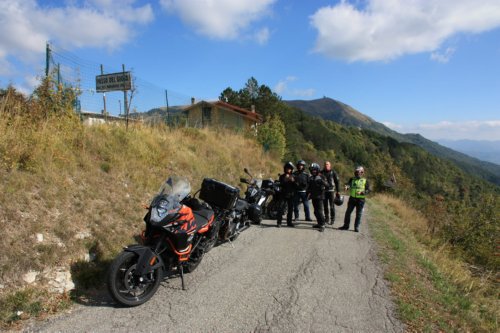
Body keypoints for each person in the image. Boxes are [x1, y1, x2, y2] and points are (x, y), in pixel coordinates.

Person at [340, 166, 370, 232]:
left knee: (358, 214)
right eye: (356, 172)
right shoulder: (352, 179)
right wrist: (346, 187)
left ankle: (356, 227)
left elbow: (368, 190)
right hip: (352, 199)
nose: (357, 173)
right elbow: (348, 185)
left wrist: (362, 192)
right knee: (348, 212)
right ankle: (346, 226)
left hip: (360, 200)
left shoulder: (365, 180)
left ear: (362, 173)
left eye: (358, 172)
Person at [307, 163, 329, 232]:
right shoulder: (311, 177)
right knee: (315, 212)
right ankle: (319, 223)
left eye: (314, 170)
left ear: (317, 170)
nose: (313, 171)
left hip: (320, 196)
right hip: (314, 196)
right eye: (312, 170)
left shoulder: (322, 176)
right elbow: (309, 187)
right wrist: (308, 194)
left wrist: (321, 181)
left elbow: (328, 185)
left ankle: (322, 225)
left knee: (319, 211)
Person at [277, 162, 296, 228]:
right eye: (287, 168)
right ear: (285, 169)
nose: (288, 170)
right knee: (280, 208)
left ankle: (289, 222)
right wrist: (285, 179)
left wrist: (293, 180)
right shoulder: (282, 176)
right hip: (283, 194)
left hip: (291, 195)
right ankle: (279, 222)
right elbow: (280, 184)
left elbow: (297, 186)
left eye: (290, 169)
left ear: (292, 169)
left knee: (290, 209)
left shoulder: (294, 176)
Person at [322, 161, 340, 225]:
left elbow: (337, 182)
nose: (326, 165)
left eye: (327, 164)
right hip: (324, 191)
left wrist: (338, 191)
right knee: (325, 206)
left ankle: (332, 219)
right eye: (325, 164)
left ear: (330, 165)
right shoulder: (321, 172)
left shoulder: (333, 172)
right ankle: (326, 218)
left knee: (332, 206)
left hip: (331, 191)